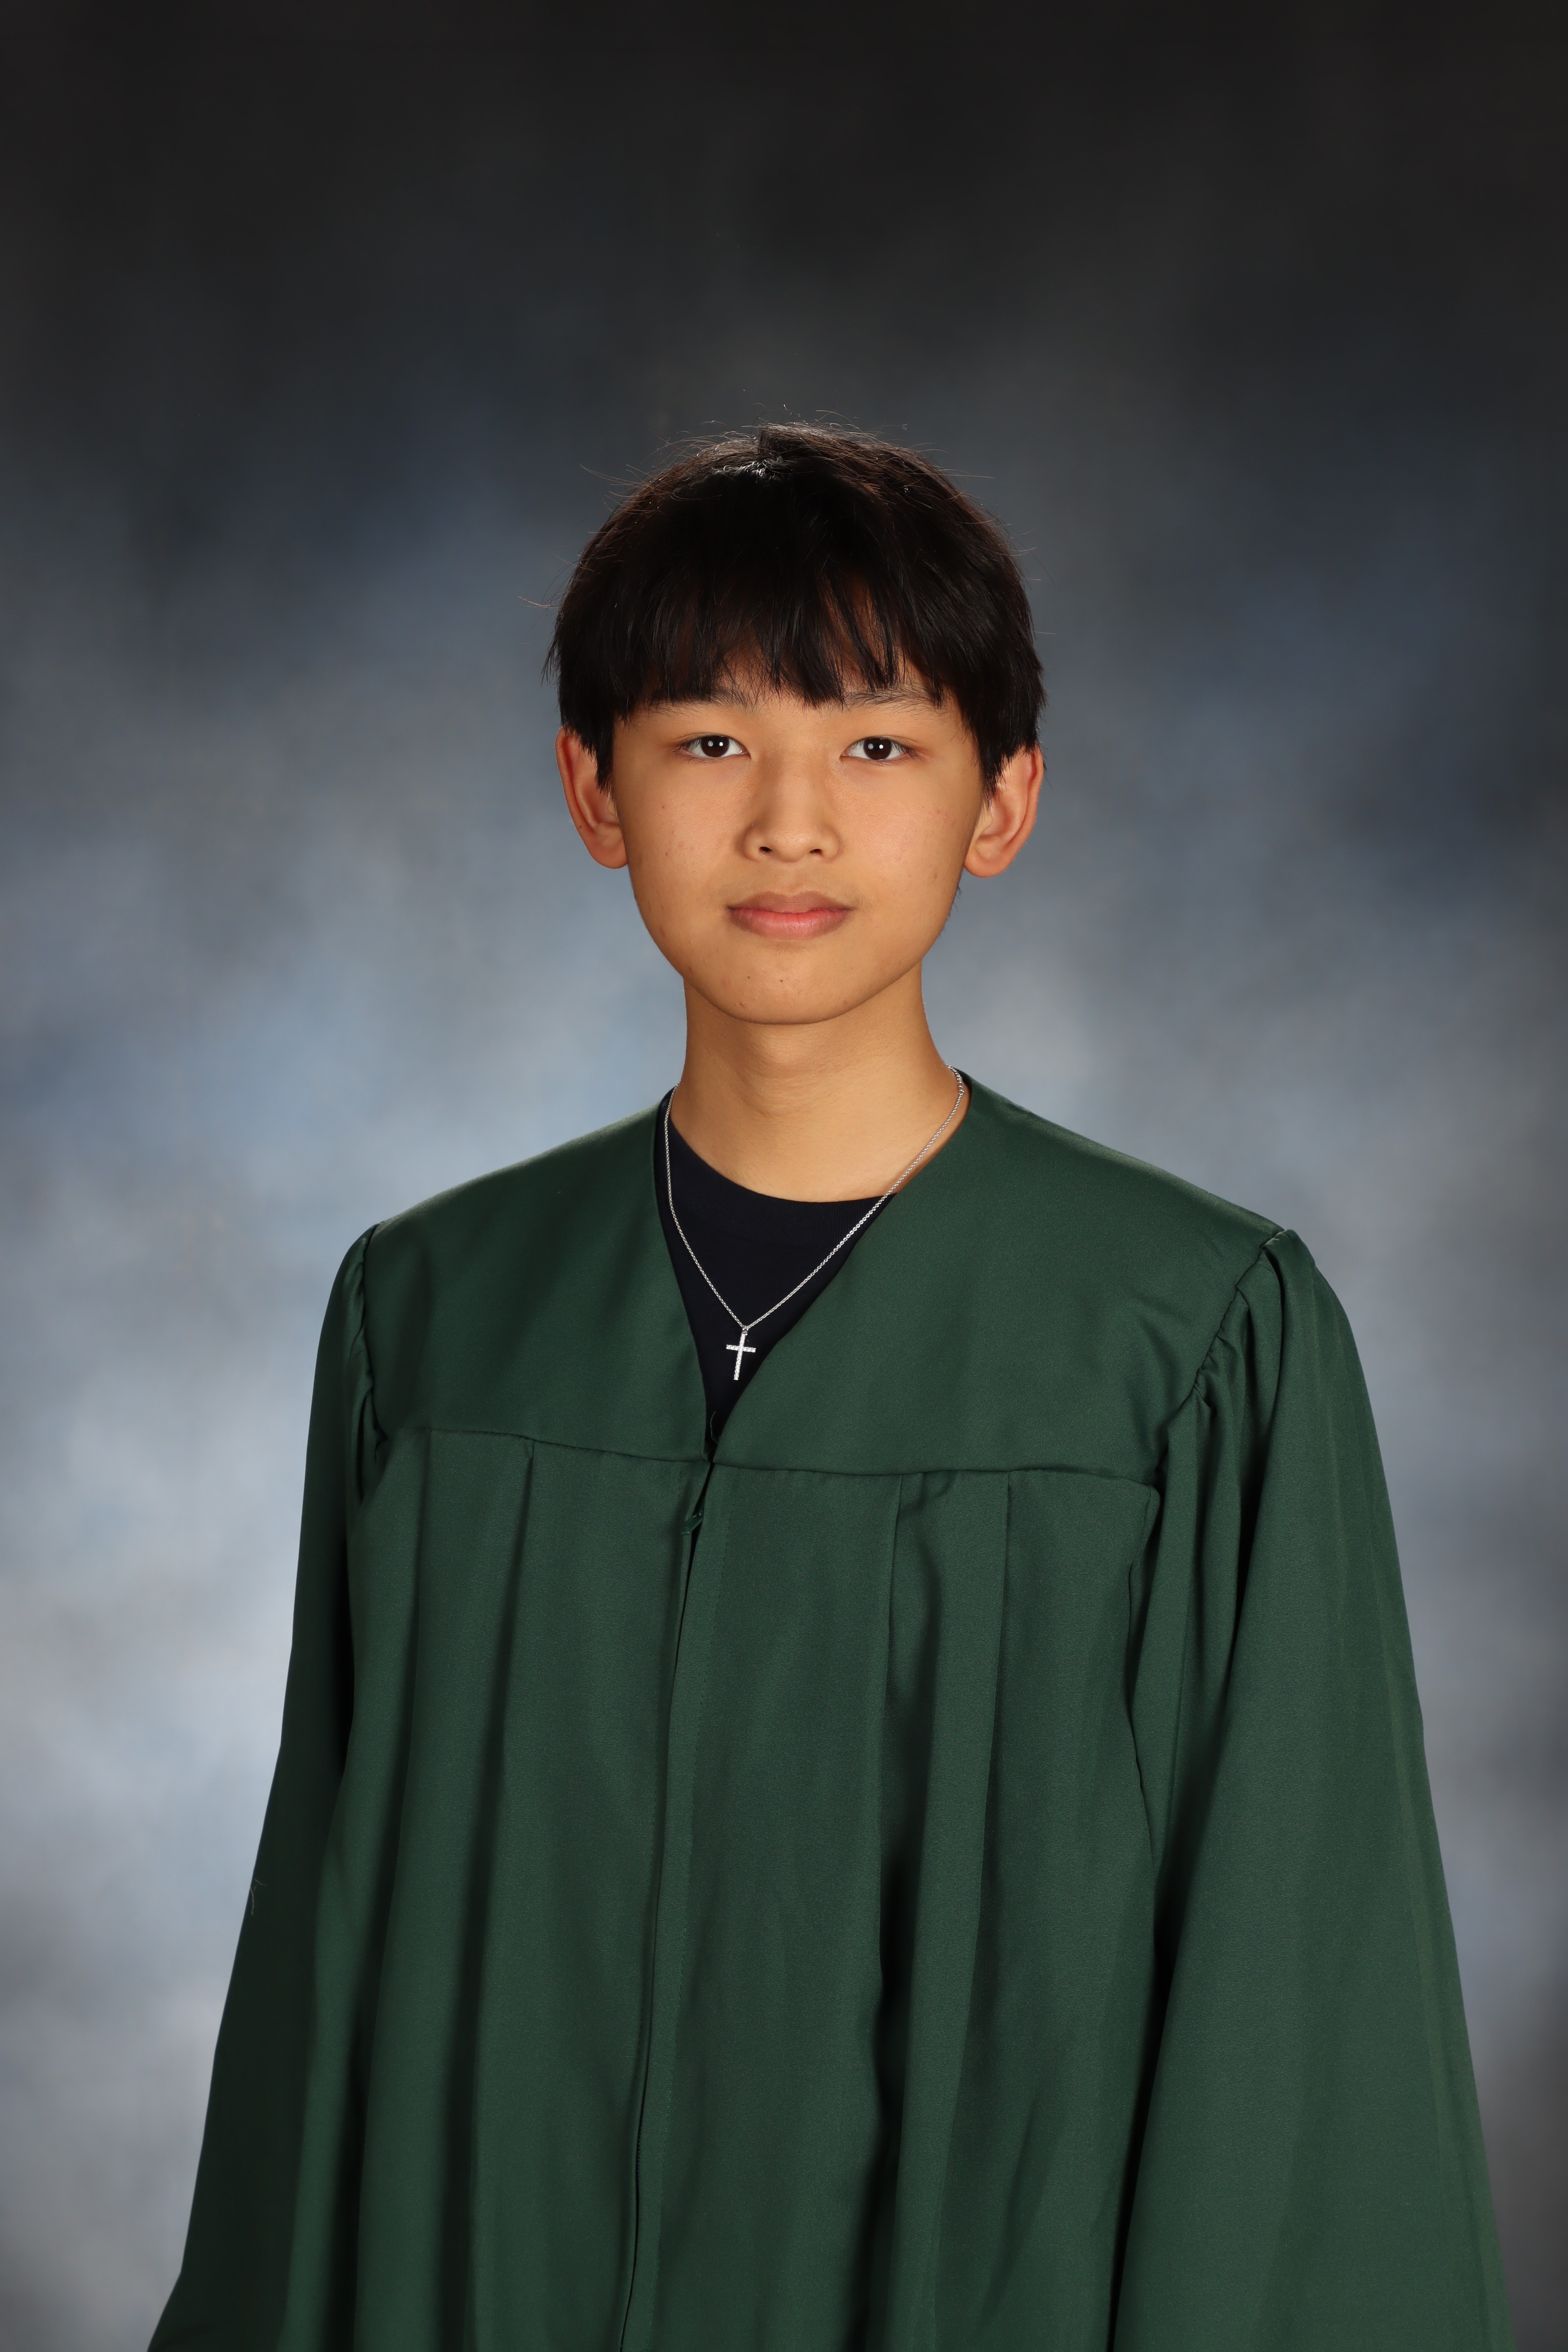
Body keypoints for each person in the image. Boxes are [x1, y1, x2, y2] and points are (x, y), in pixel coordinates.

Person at [149, 424, 1514, 2351]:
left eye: (875, 745)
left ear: (1002, 799)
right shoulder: (435, 1326)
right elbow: (318, 1984)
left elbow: (1302, 2017)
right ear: (593, 789)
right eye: (709, 739)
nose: (787, 824)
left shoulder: (1193, 1346)